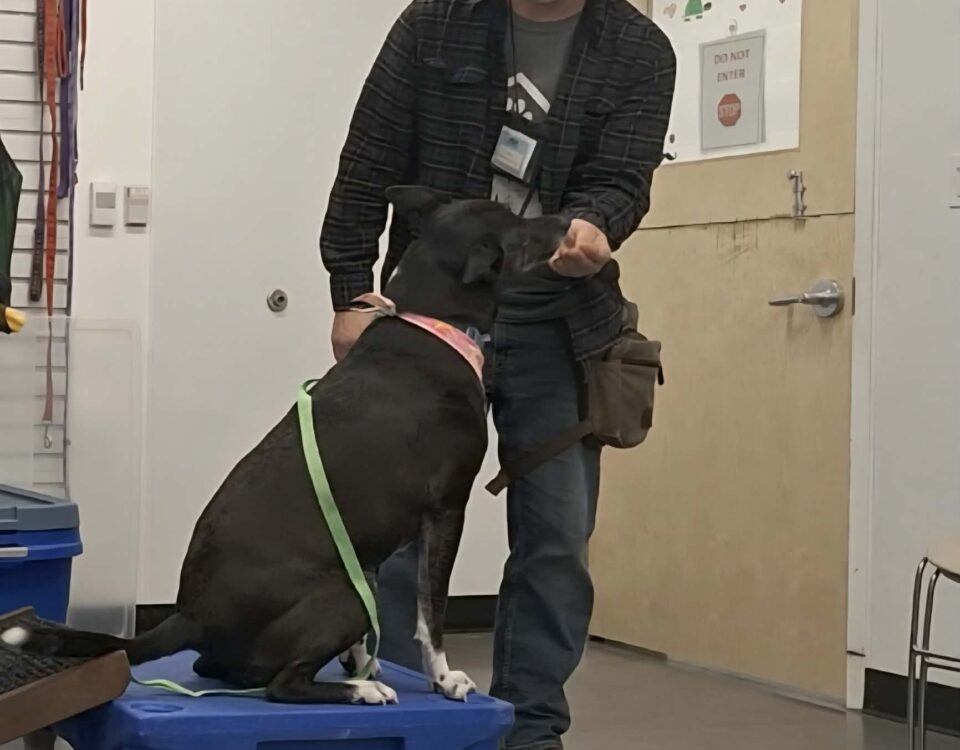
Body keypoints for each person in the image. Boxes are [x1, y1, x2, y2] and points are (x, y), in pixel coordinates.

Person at [319, 1, 675, 747]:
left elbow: (623, 180)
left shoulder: (640, 49)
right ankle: (386, 711)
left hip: (560, 327)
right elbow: (368, 164)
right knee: (392, 528)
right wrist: (351, 290)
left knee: (556, 539)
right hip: (430, 319)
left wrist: (592, 224)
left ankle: (531, 730)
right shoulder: (434, 23)